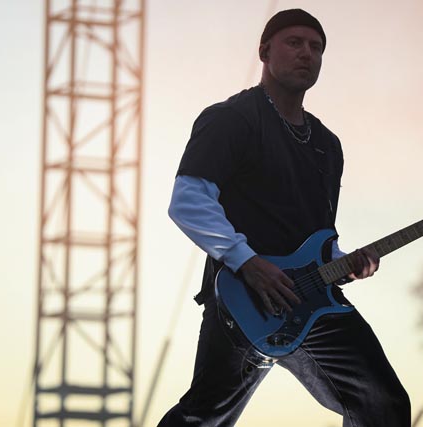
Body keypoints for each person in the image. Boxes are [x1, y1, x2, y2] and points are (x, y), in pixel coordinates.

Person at [158, 9, 410, 427]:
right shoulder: (231, 118)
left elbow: (316, 235)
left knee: (383, 403)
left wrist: (344, 262)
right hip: (242, 299)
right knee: (203, 417)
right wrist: (248, 262)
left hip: (313, 302)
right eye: (294, 43)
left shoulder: (328, 145)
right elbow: (188, 200)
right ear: (264, 51)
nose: (306, 53)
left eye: (316, 47)